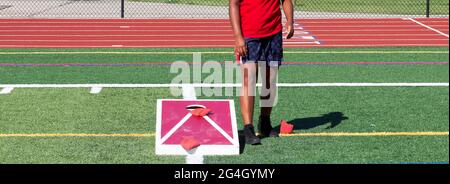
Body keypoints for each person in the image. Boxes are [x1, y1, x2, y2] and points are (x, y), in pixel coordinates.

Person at [229, 0, 294, 145]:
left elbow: (286, 0)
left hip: (274, 33)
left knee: (270, 80)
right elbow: (234, 4)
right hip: (249, 34)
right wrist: (238, 36)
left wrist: (290, 21)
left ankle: (265, 122)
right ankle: (248, 128)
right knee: (249, 79)